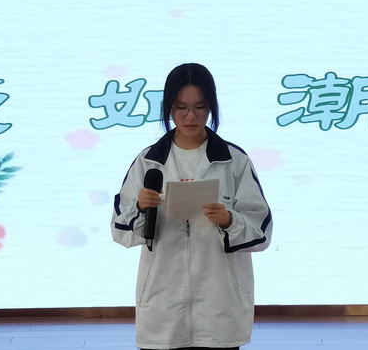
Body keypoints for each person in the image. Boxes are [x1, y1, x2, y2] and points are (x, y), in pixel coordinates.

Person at [112, 63, 273, 350]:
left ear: (211, 107)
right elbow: (119, 230)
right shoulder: (148, 161)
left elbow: (261, 232)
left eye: (200, 107)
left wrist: (229, 220)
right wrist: (140, 207)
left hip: (220, 306)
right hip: (163, 304)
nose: (190, 116)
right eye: (181, 107)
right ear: (169, 108)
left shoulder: (234, 161)